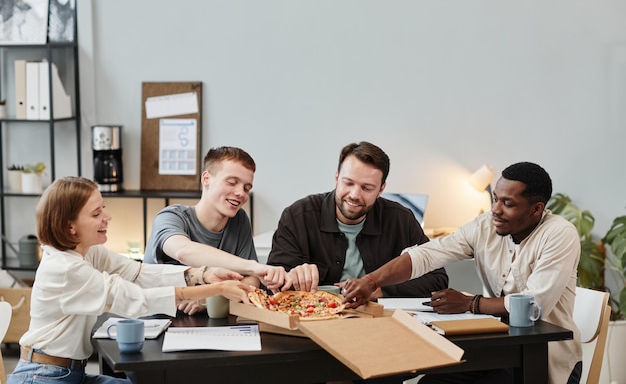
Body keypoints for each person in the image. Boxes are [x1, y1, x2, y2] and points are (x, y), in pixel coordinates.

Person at [342, 162, 582, 384]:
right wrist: (370, 280)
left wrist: (470, 303)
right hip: (497, 347)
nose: (495, 210)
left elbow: (533, 305)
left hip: (543, 357)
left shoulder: (559, 234)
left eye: (507, 204)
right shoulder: (485, 225)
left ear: (536, 209)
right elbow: (427, 254)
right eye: (495, 199)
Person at [6, 176, 257, 384]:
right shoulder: (65, 269)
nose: (107, 216)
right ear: (70, 227)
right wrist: (218, 288)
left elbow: (137, 272)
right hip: (43, 377)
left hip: (70, 373)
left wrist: (199, 274)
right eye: (96, 213)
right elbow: (137, 299)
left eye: (103, 207)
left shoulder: (86, 251)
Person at [268, 141, 448, 298]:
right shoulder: (298, 215)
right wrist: (291, 276)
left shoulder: (400, 219)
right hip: (313, 319)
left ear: (381, 189)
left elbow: (437, 278)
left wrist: (378, 288)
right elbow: (272, 283)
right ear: (336, 177)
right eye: (348, 183)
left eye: (367, 188)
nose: (354, 195)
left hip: (379, 322)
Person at [144, 146, 288, 314]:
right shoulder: (170, 217)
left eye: (247, 188)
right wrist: (254, 267)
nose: (240, 193)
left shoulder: (239, 220)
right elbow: (183, 251)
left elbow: (252, 280)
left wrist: (208, 298)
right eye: (232, 182)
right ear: (206, 179)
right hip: (159, 324)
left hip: (215, 324)